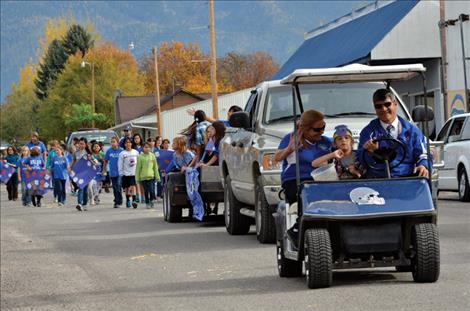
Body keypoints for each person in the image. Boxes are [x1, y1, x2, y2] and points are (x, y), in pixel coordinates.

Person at [274, 110, 332, 246]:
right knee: (307, 195)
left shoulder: (326, 142)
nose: (321, 132)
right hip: (296, 179)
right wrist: (289, 149)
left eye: (323, 127)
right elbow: (277, 158)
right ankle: (297, 228)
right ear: (305, 129)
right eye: (317, 129)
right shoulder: (290, 139)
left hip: (321, 178)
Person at [357, 89, 430, 178]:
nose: (384, 109)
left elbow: (423, 154)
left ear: (395, 104)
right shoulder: (368, 132)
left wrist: (423, 165)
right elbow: (361, 161)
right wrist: (370, 152)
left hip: (406, 180)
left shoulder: (412, 131)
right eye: (378, 106)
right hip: (378, 181)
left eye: (387, 104)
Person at [136, 142, 160, 209]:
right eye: (145, 147)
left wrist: (157, 177)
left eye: (148, 147)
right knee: (146, 191)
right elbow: (138, 168)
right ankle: (147, 203)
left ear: (150, 148)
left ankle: (151, 200)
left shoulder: (152, 156)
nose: (147, 148)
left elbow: (155, 167)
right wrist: (137, 178)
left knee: (152, 190)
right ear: (143, 148)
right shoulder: (140, 157)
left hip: (151, 177)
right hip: (143, 178)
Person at [71, 137, 92, 211]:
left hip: (86, 173)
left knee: (85, 190)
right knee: (80, 188)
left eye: (83, 144)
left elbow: (92, 162)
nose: (81, 145)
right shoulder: (76, 153)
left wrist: (91, 160)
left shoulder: (88, 153)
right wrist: (70, 168)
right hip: (79, 173)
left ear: (85, 144)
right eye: (80, 144)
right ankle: (79, 203)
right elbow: (74, 161)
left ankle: (85, 204)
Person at [118, 138, 140, 209]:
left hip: (134, 173)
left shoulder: (136, 152)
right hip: (126, 173)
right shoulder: (122, 153)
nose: (128, 144)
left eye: (129, 142)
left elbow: (139, 162)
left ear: (131, 143)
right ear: (124, 144)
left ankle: (134, 200)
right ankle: (127, 200)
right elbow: (120, 164)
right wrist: (121, 172)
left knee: (133, 186)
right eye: (126, 143)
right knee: (127, 187)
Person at [103, 137, 124, 208]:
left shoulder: (121, 150)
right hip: (112, 172)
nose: (112, 143)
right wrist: (104, 170)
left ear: (117, 143)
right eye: (111, 142)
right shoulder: (109, 151)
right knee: (115, 187)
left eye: (114, 141)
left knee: (118, 186)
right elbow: (105, 161)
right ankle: (116, 200)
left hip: (120, 172)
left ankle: (119, 201)